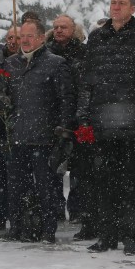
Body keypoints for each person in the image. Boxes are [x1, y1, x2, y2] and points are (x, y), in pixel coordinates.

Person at [77, 0, 135, 255]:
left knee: (131, 183)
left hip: (132, 123)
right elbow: (87, 81)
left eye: (122, 3)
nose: (116, 7)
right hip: (102, 123)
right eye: (113, 2)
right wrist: (84, 117)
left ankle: (130, 237)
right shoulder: (97, 38)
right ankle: (107, 236)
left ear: (133, 9)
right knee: (103, 183)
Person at [0, 20, 76, 244]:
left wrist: (63, 132)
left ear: (42, 38)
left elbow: (66, 101)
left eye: (30, 36)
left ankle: (46, 228)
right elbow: (0, 93)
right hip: (17, 136)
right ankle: (18, 226)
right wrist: (0, 101)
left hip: (44, 137)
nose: (24, 39)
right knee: (16, 186)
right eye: (22, 35)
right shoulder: (9, 64)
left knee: (46, 187)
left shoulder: (56, 64)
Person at [46, 14, 87, 222]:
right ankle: (55, 208)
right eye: (56, 27)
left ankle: (77, 209)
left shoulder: (83, 53)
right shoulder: (46, 53)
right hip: (53, 116)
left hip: (79, 116)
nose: (59, 30)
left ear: (73, 30)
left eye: (64, 27)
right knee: (54, 164)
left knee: (80, 167)